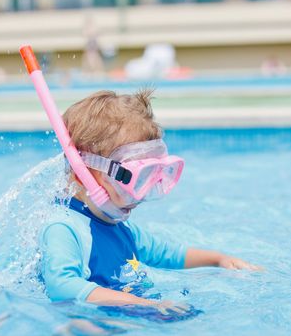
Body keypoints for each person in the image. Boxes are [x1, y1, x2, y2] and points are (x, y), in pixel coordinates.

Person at [39, 90, 263, 315]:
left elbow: (167, 253)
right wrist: (146, 305)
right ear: (84, 174)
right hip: (92, 320)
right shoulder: (64, 228)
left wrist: (218, 259)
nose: (140, 194)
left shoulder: (120, 226)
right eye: (133, 178)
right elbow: (62, 287)